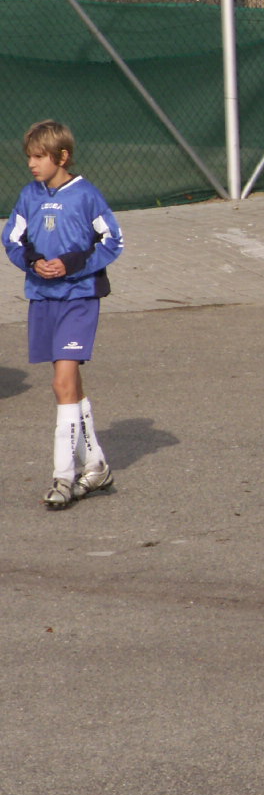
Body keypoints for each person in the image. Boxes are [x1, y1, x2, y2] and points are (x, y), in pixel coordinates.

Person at [3, 120, 124, 509]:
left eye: (39, 157)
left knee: (61, 383)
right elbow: (11, 239)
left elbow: (113, 240)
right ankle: (97, 465)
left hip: (79, 298)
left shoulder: (86, 195)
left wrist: (71, 264)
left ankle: (63, 477)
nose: (32, 165)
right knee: (70, 384)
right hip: (42, 298)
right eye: (30, 158)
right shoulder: (29, 195)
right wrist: (34, 261)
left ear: (62, 157)